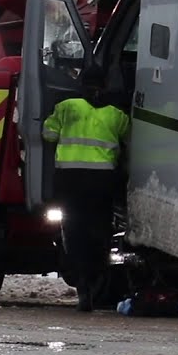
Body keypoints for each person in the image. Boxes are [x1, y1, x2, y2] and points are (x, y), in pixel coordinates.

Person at [42, 68, 130, 312]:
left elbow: (47, 134)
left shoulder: (67, 107)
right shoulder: (116, 115)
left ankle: (82, 285)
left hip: (70, 181)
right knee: (99, 232)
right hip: (102, 183)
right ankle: (97, 276)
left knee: (74, 232)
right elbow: (129, 138)